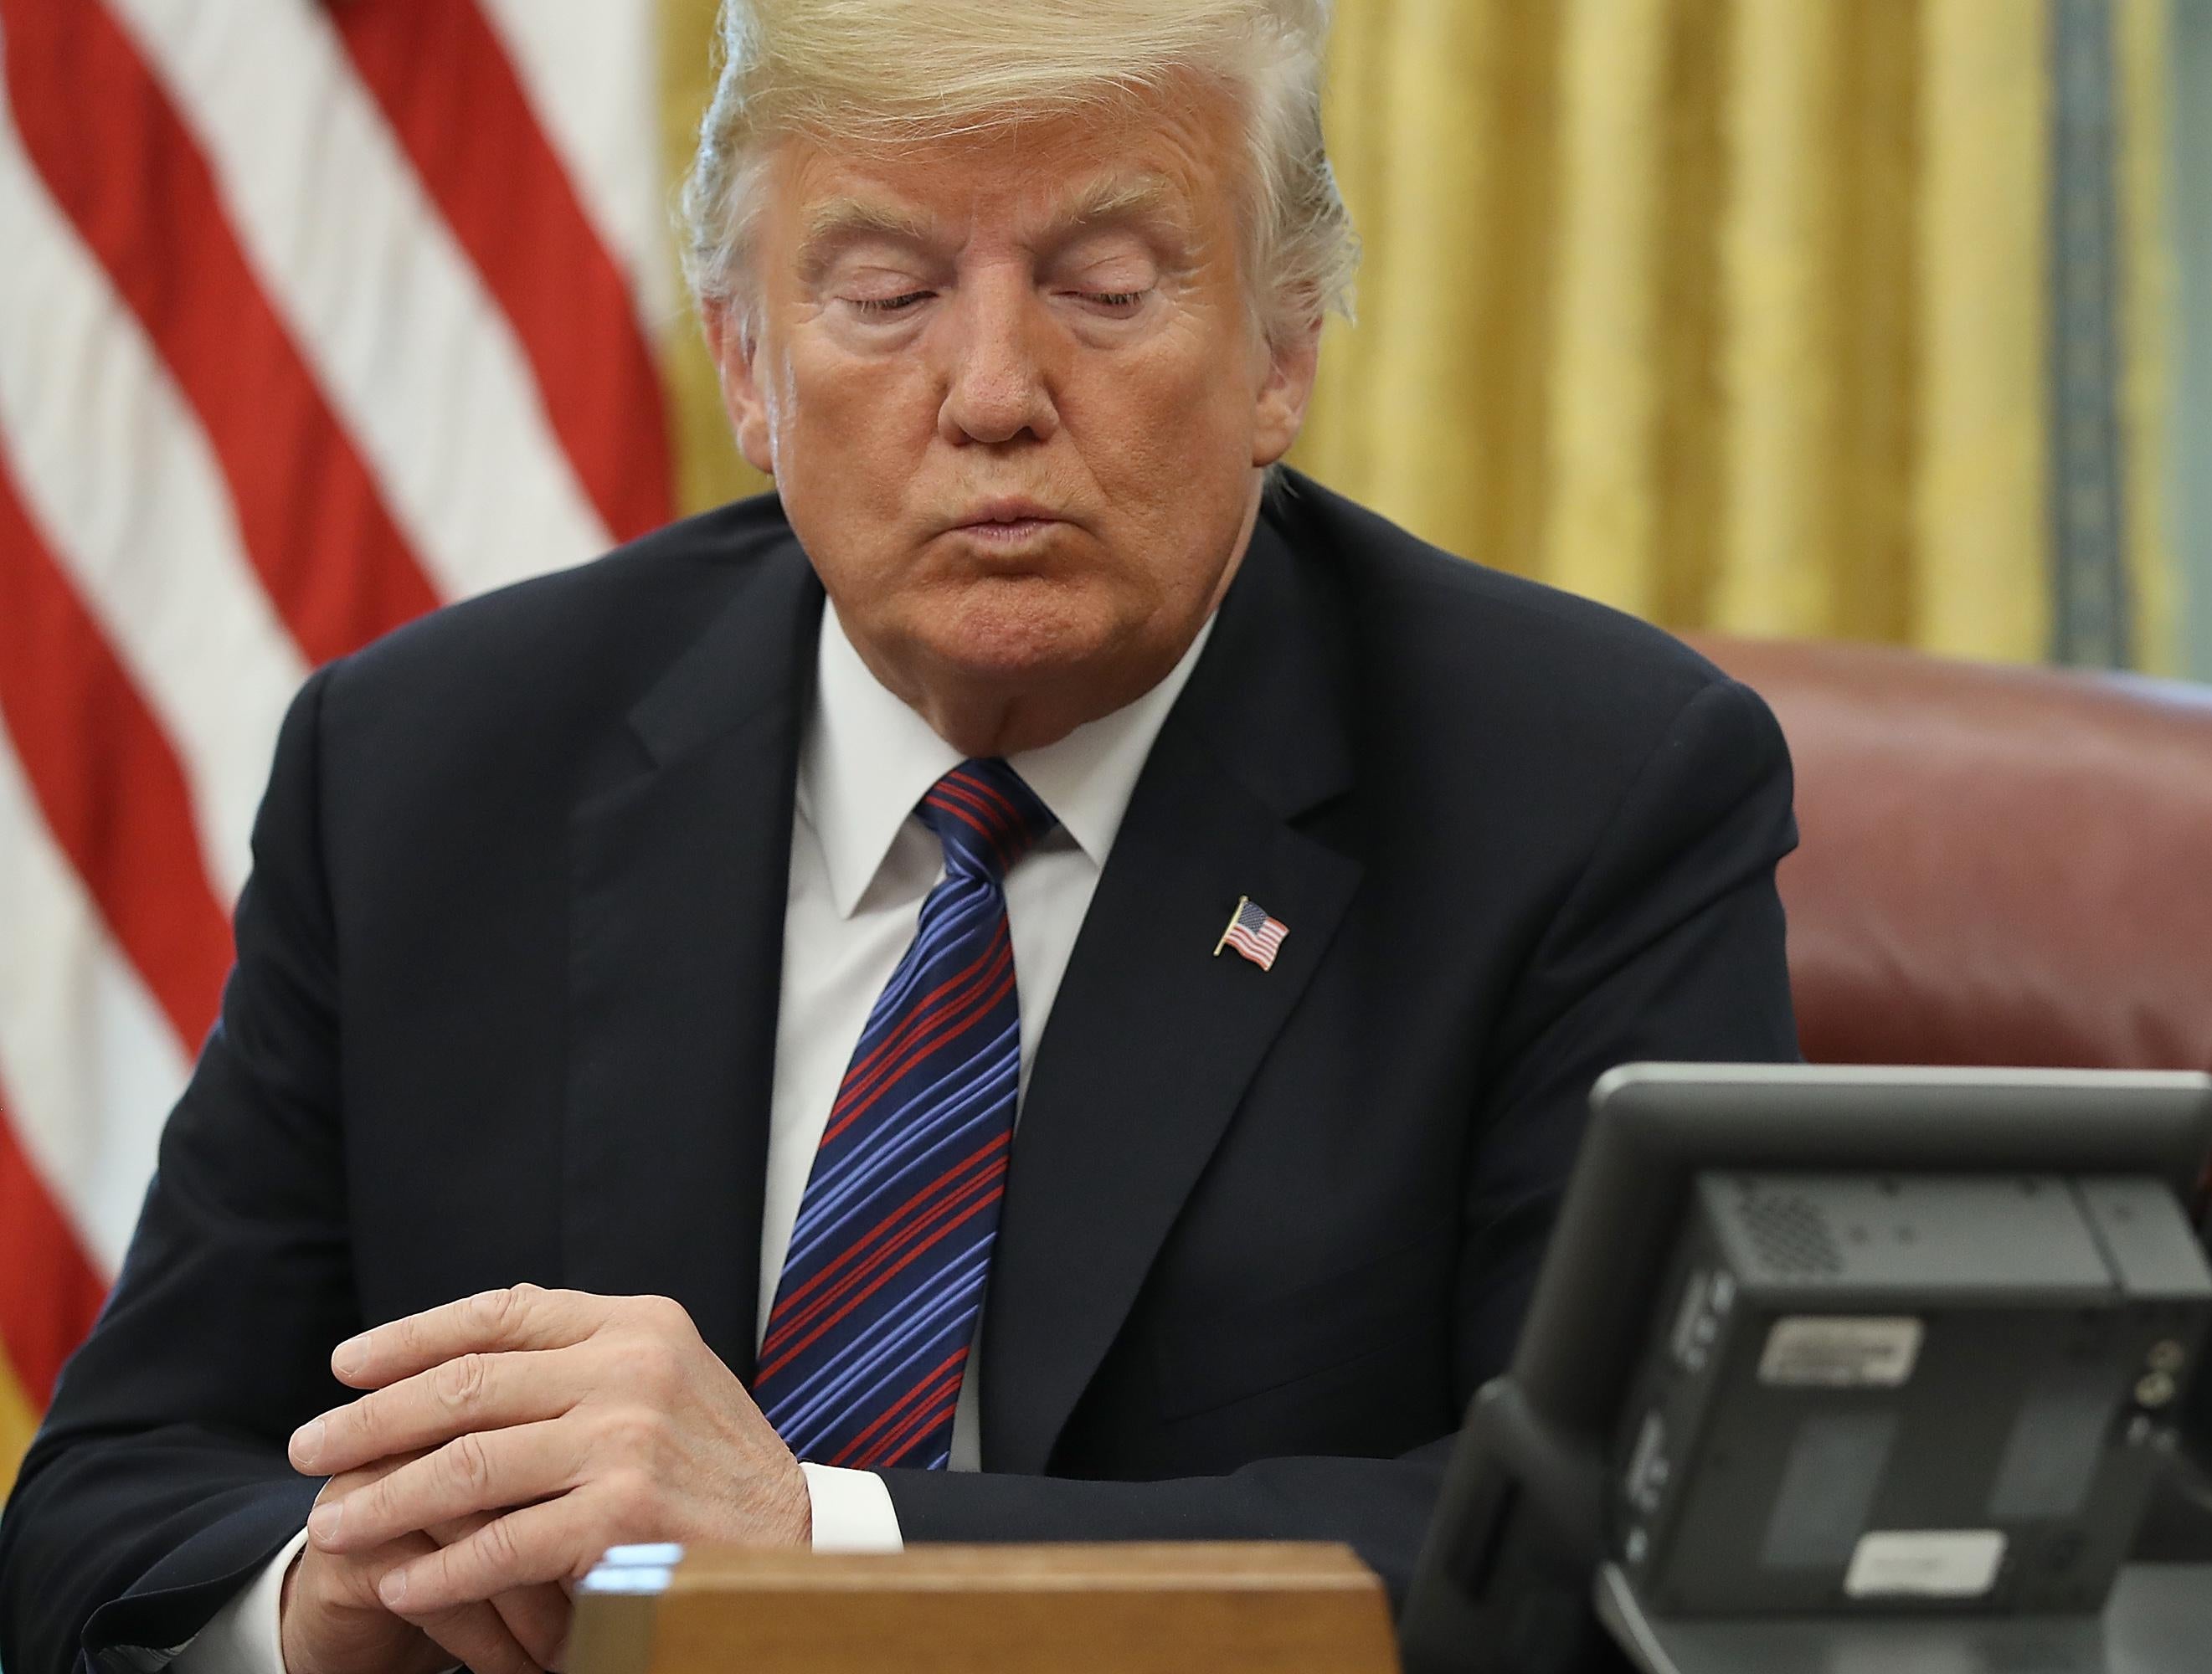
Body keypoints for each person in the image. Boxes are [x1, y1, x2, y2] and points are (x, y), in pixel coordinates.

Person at [0, 3, 1798, 1670]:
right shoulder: (427, 770)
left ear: (1284, 345)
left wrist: (818, 1541)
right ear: (744, 364)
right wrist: (335, 1593)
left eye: (1105, 287)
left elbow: (1616, 1556)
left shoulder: (1587, 796)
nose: (995, 389)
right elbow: (108, 1511)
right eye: (882, 291)